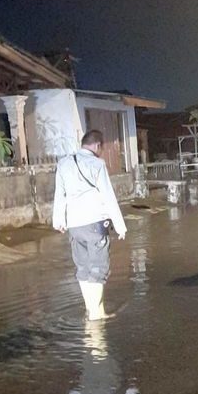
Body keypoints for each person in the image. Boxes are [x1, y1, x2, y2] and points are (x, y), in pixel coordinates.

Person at [53, 129, 127, 320]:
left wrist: (58, 220)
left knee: (83, 268)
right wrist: (120, 225)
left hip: (74, 225)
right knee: (98, 268)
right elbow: (108, 196)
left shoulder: (64, 163)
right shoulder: (97, 164)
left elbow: (59, 194)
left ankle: (91, 310)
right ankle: (96, 314)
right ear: (97, 146)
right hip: (95, 223)